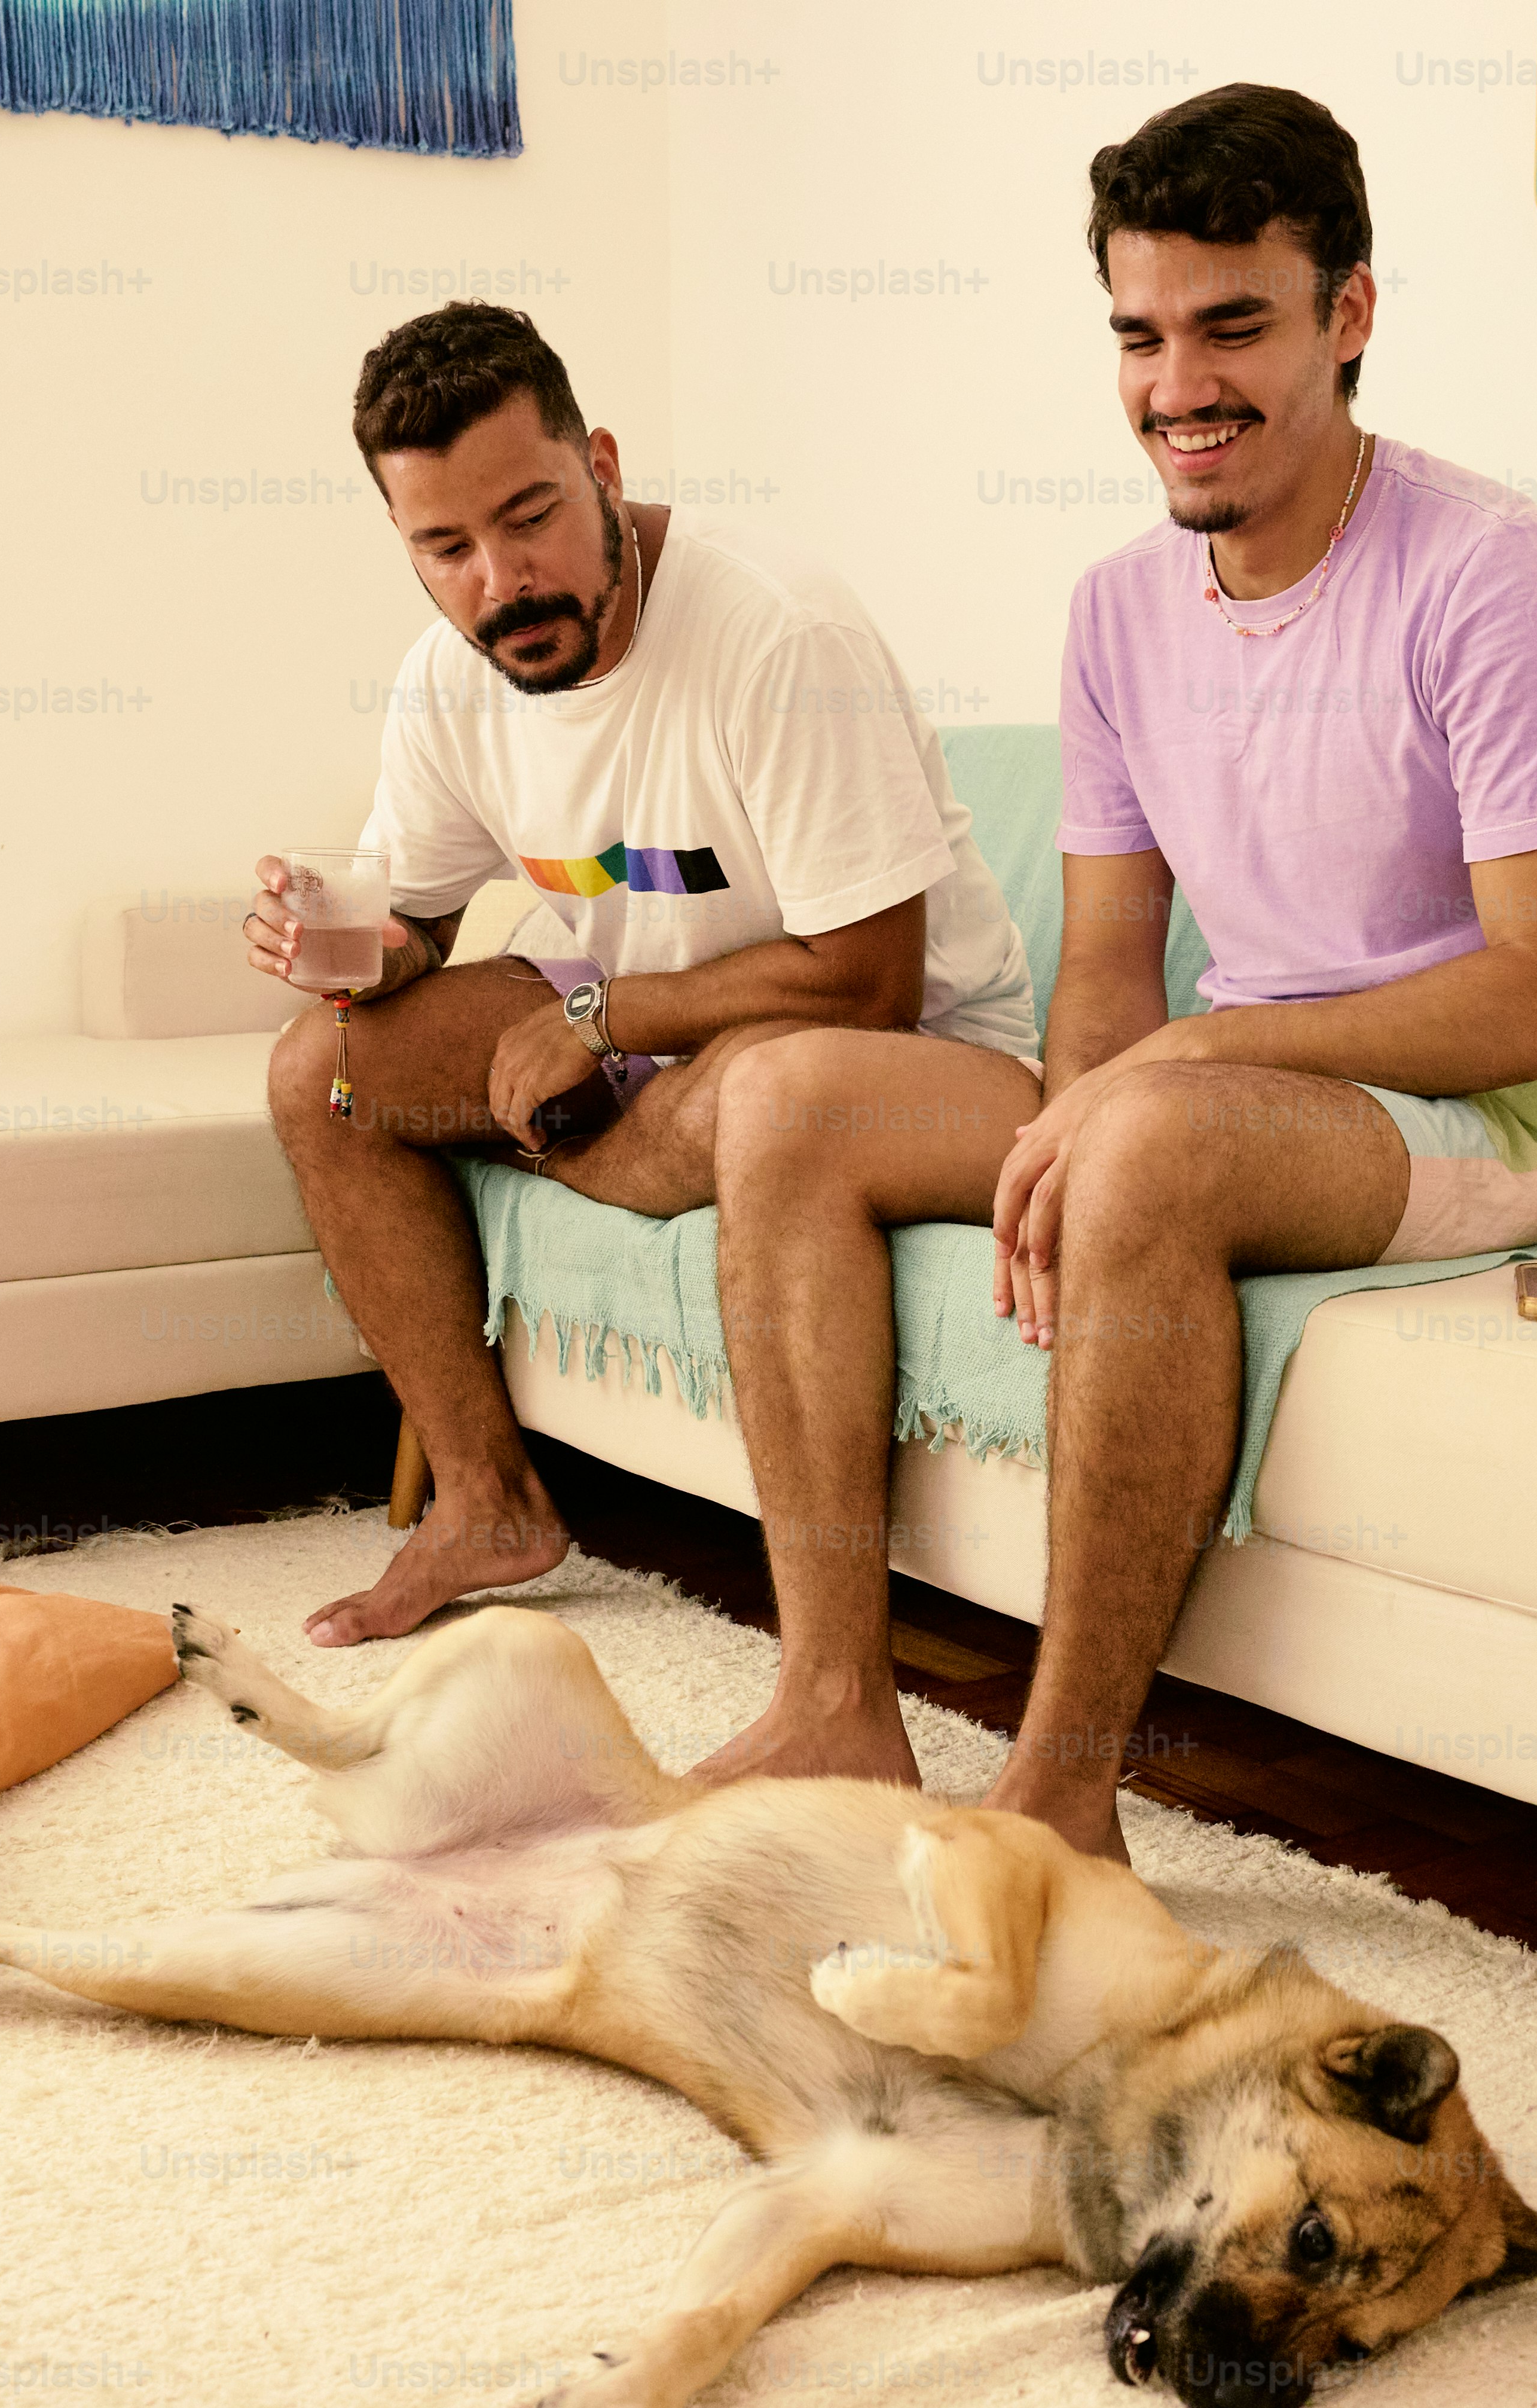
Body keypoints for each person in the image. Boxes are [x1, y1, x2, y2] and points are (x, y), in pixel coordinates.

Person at [696, 83, 1537, 1858]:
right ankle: (836, 1705)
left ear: (1347, 316)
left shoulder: (1492, 575)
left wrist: (1183, 1074)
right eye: (1140, 335)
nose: (1176, 385)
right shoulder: (1117, 609)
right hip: (1250, 1097)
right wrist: (1077, 1120)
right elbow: (1111, 975)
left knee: (1142, 1138)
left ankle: (1060, 1804)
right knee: (788, 1097)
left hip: (1499, 1111)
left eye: (1234, 326)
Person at [252, 302, 1034, 1649]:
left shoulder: (772, 633)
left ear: (600, 464)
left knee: (756, 1094)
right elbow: (422, 924)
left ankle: (569, 1131)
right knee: (316, 1071)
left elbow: (870, 983)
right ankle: (486, 1503)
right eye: (447, 547)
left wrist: (594, 1018)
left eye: (531, 516)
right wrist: (356, 950)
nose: (502, 579)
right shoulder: (449, 681)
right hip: (651, 1063)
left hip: (915, 1069)